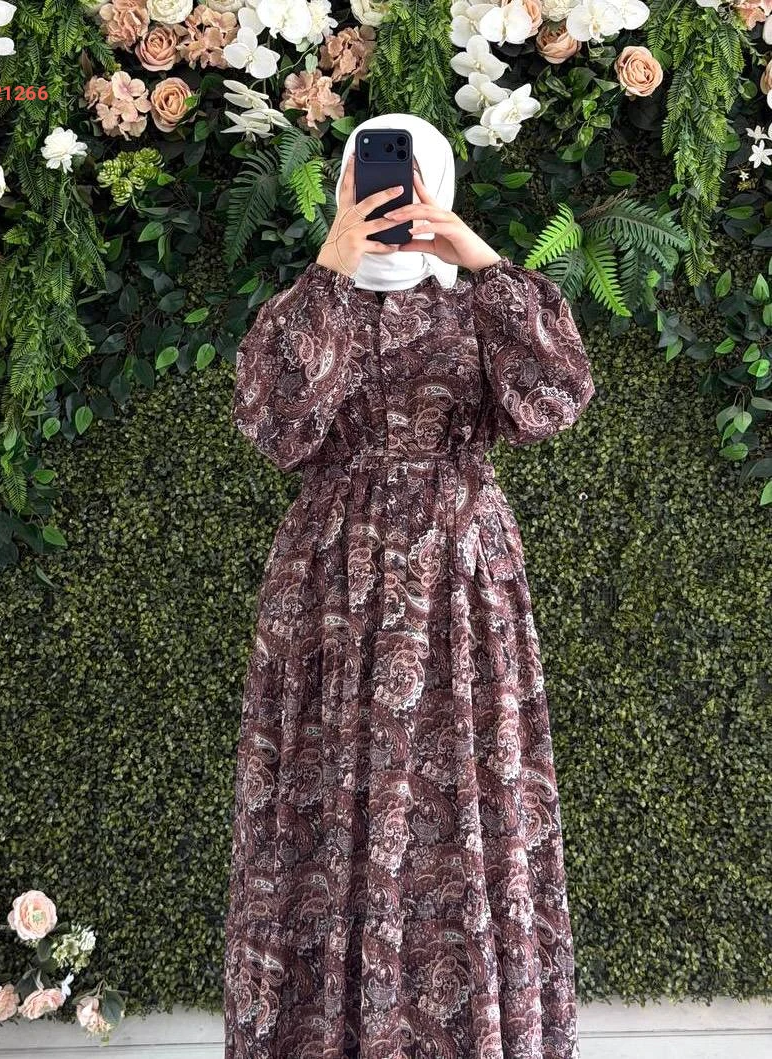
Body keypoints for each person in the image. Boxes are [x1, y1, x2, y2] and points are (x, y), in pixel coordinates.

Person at [223, 112, 595, 1059]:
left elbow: (555, 394)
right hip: (329, 587)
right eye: (371, 175)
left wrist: (476, 255)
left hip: (458, 583)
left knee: (466, 787)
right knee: (324, 794)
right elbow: (274, 425)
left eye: (404, 175)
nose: (388, 192)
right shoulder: (310, 304)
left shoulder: (477, 304)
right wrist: (329, 266)